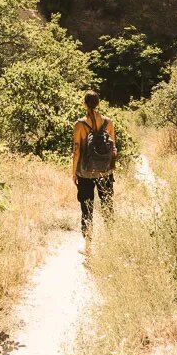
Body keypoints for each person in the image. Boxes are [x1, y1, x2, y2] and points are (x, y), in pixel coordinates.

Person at [72, 90, 116, 247]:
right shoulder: (108, 122)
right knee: (107, 204)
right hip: (105, 172)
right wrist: (109, 170)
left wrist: (73, 172)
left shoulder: (79, 124)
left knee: (87, 207)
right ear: (98, 103)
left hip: (85, 172)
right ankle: (112, 241)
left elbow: (76, 150)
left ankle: (88, 245)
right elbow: (113, 149)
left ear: (84, 103)